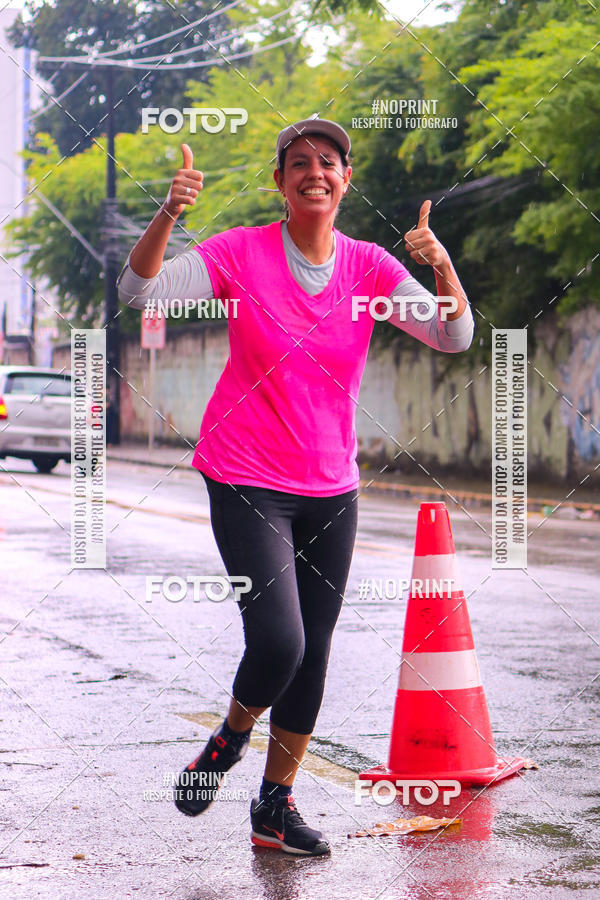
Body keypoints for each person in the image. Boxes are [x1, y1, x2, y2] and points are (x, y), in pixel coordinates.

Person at [117, 117, 474, 857]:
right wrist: (170, 211)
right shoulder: (242, 253)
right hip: (246, 473)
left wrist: (441, 265)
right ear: (280, 182)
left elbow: (454, 335)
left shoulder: (370, 267)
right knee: (279, 640)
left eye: (330, 162)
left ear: (347, 180)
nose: (316, 171)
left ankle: (274, 809)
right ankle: (228, 741)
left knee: (315, 653)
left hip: (330, 485)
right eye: (300, 162)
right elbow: (136, 290)